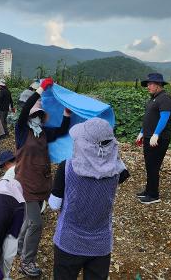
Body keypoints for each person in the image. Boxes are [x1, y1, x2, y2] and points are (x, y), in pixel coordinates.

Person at [49, 118, 130, 280]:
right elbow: (116, 165)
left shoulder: (67, 167)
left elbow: (54, 205)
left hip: (68, 241)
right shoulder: (117, 170)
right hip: (100, 244)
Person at [14, 77, 71, 277]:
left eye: (40, 113)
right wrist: (40, 90)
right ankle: (27, 262)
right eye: (35, 113)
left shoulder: (44, 132)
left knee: (30, 220)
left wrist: (66, 114)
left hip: (42, 182)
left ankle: (19, 247)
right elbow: (25, 108)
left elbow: (63, 131)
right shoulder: (21, 130)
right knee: (36, 223)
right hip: (26, 182)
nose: (37, 115)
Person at [135, 73, 171, 204]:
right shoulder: (152, 99)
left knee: (153, 166)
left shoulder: (165, 98)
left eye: (151, 84)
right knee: (149, 165)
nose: (148, 86)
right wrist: (141, 133)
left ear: (159, 85)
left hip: (159, 138)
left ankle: (154, 195)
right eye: (148, 84)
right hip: (148, 137)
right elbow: (149, 119)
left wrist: (156, 134)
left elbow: (164, 117)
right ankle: (148, 190)